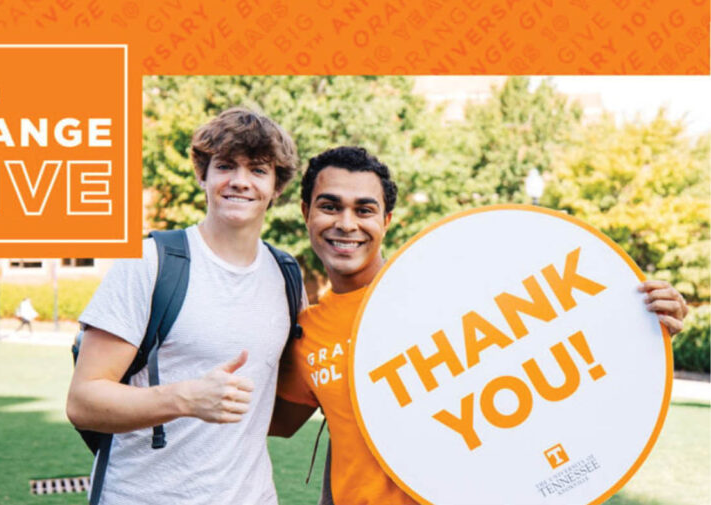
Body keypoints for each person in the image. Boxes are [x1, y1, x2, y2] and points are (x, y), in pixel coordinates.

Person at [270, 146, 689, 505]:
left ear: (388, 220)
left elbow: (553, 346)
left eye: (365, 209)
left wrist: (642, 322)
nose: (346, 224)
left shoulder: (445, 288)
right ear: (306, 211)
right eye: (330, 206)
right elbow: (292, 427)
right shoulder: (308, 333)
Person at [67, 107, 300, 505]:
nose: (240, 182)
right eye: (226, 166)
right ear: (202, 175)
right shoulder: (149, 262)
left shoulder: (286, 276)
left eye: (259, 170)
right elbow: (83, 402)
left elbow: (280, 413)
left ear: (277, 186)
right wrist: (186, 399)